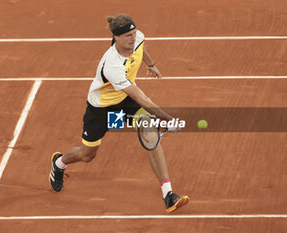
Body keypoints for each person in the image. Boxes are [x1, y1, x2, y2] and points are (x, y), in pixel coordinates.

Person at [49, 14, 189, 213]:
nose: (132, 38)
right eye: (127, 36)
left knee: (151, 134)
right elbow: (142, 99)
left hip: (125, 102)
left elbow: (141, 48)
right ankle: (59, 163)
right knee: (88, 154)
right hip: (101, 109)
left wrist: (150, 65)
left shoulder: (137, 38)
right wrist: (168, 119)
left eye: (133, 33)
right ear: (116, 38)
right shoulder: (112, 65)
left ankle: (168, 195)